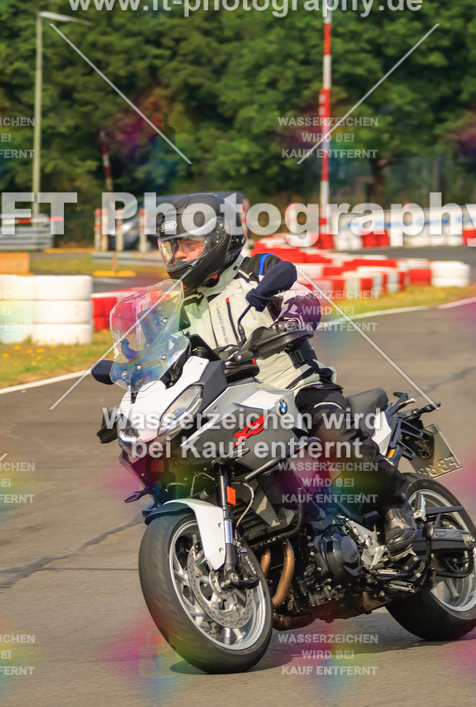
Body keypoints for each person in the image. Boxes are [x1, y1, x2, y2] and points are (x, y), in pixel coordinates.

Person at [156, 192, 416, 555]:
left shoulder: (258, 270)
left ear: (219, 238)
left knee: (334, 436)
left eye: (188, 243)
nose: (178, 254)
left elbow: (303, 296)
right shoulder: (181, 305)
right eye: (172, 246)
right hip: (230, 404)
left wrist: (293, 315)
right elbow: (166, 356)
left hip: (296, 390)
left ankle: (395, 505)